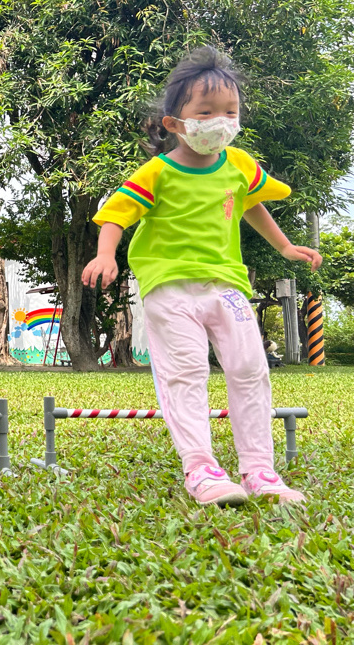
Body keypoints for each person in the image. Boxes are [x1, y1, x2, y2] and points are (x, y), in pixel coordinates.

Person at [82, 46, 321, 506]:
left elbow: (252, 204)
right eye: (206, 112)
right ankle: (201, 469)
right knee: (186, 371)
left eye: (230, 111)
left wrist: (286, 246)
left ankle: (259, 471)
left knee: (250, 368)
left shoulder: (239, 164)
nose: (221, 121)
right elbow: (115, 214)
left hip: (226, 286)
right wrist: (106, 255)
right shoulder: (158, 172)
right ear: (175, 123)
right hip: (169, 289)